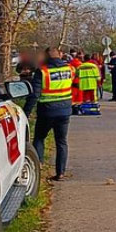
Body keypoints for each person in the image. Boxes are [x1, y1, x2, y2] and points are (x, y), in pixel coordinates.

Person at [24, 47, 75, 181]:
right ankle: (61, 173)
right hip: (64, 111)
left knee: (39, 138)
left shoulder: (43, 71)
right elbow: (74, 85)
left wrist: (26, 112)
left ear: (46, 57)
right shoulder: (69, 69)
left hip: (46, 111)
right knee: (61, 142)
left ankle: (38, 166)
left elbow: (34, 94)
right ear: (60, 55)